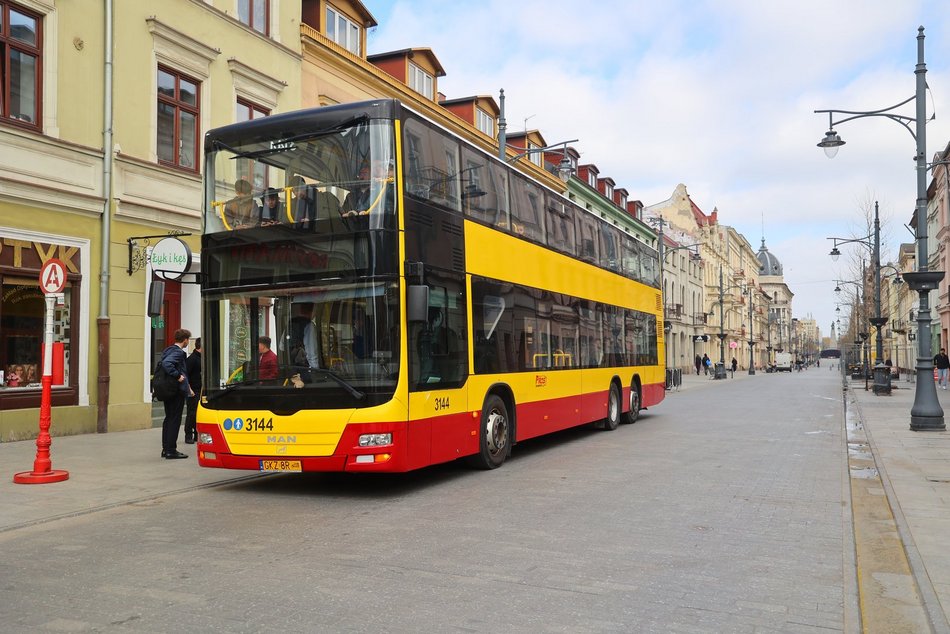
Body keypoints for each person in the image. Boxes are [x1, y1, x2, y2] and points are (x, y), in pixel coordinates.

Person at [160, 329, 193, 459]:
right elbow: (167, 364)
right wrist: (178, 376)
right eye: (187, 340)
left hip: (168, 390)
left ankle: (166, 448)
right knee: (174, 420)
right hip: (175, 391)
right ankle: (171, 450)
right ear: (185, 340)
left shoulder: (168, 350)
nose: (187, 342)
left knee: (168, 419)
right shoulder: (178, 353)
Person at [184, 337, 201, 444]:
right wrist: (189, 389)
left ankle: (197, 434)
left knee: (198, 414)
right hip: (193, 390)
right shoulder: (192, 359)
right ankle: (188, 434)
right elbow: (185, 375)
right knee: (192, 413)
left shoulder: (202, 358)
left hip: (201, 389)